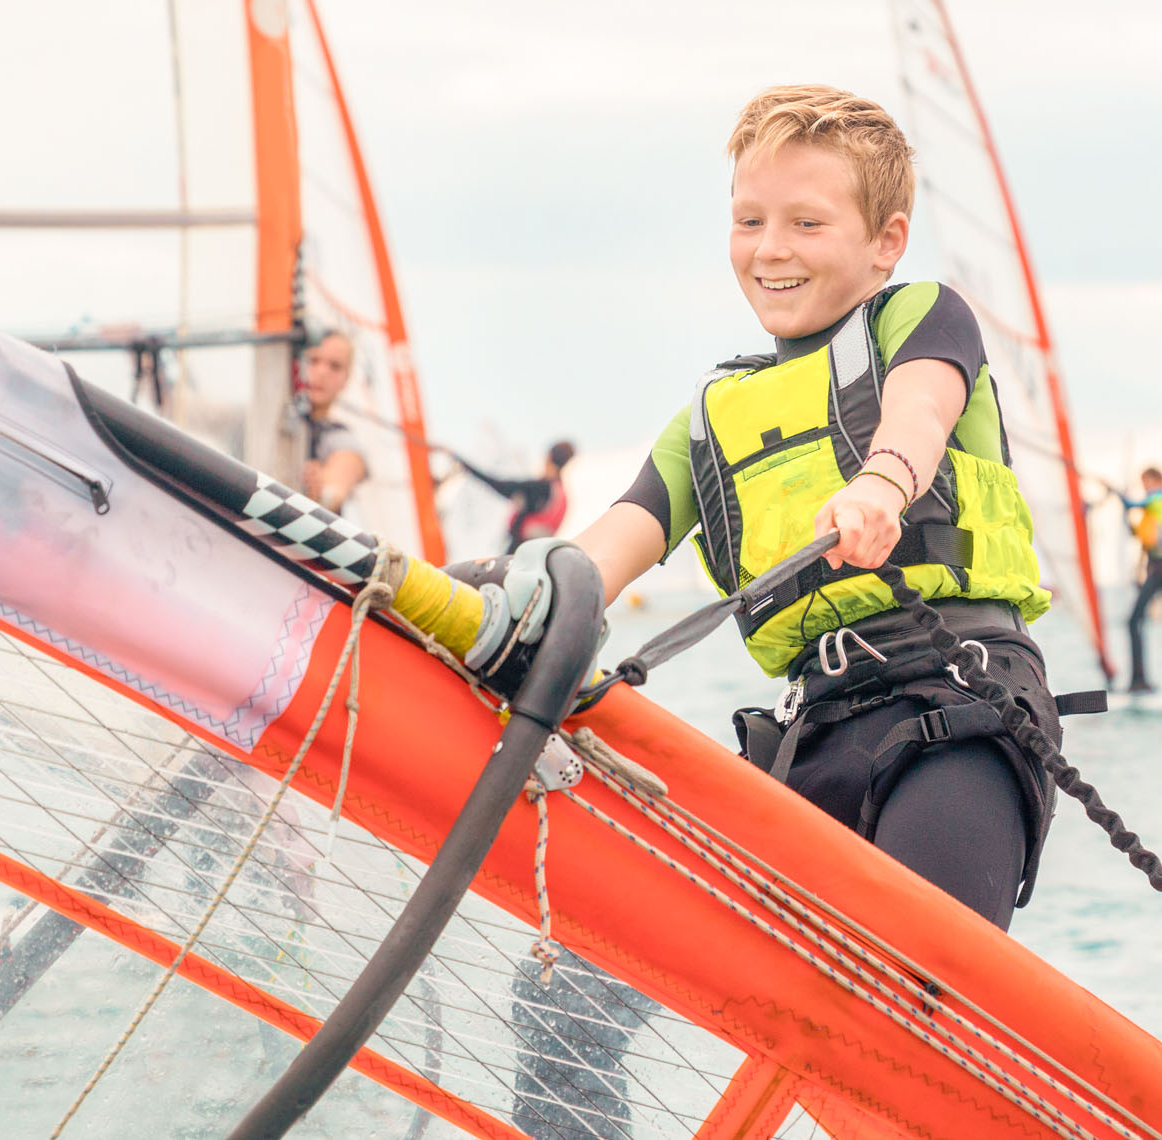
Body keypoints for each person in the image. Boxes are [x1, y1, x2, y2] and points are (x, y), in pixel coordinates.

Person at [467, 84, 1101, 932]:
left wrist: (880, 485)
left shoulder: (922, 317)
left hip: (958, 711)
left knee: (914, 978)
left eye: (807, 223)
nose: (771, 250)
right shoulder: (709, 420)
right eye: (749, 220)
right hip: (812, 734)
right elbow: (600, 554)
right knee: (594, 957)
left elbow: (918, 415)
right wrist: (500, 603)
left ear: (886, 242)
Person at [1117, 468, 1162, 694]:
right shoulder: (1154, 507)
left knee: (1133, 621)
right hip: (1154, 570)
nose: (1145, 488)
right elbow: (1137, 532)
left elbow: (1132, 504)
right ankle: (1138, 679)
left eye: (1146, 482)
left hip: (1160, 570)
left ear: (1157, 481)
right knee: (1135, 621)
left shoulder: (1161, 500)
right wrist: (1124, 510)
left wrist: (1120, 496)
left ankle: (1139, 681)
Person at [450, 440, 578, 553]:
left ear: (548, 456)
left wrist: (461, 463)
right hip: (538, 555)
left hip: (518, 553)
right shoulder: (560, 493)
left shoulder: (539, 488)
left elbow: (498, 485)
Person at [298, 330, 368, 515]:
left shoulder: (340, 438)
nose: (322, 372)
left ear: (346, 379)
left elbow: (338, 484)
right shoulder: (251, 416)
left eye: (335, 366)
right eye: (313, 360)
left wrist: (322, 494)